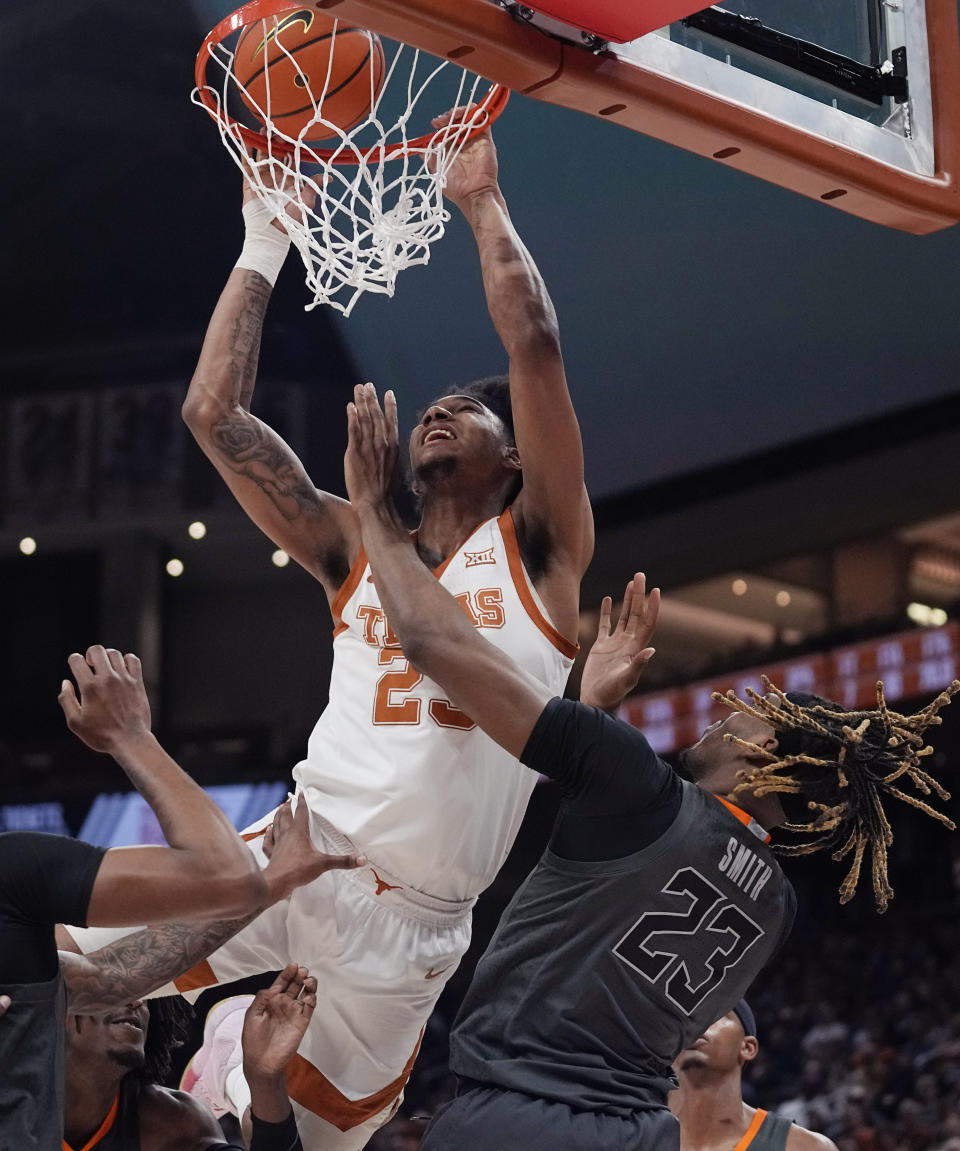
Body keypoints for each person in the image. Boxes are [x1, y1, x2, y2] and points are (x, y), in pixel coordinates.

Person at [69, 112, 593, 1150]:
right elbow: (212, 414)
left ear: (518, 461)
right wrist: (266, 239)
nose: (439, 413)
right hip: (303, 843)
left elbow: (532, 337)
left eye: (467, 413)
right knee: (58, 968)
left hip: (413, 927)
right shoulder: (354, 541)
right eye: (432, 407)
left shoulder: (539, 556)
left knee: (302, 1141)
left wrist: (480, 199)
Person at [337, 381, 957, 1151]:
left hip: (515, 1117)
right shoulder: (775, 908)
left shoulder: (636, 782)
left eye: (745, 715)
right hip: (631, 1128)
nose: (724, 712)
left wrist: (370, 504)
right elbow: (597, 881)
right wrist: (590, 709)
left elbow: (434, 648)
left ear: (763, 757)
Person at [0, 645, 273, 1151]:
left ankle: (236, 1077)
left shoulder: (169, 1126)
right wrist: (130, 737)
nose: (135, 1008)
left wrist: (272, 884)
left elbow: (117, 981)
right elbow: (227, 875)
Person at [63, 964, 318, 1151]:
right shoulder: (23, 1104)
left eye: (143, 990)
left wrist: (264, 1078)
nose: (137, 1001)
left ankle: (232, 1067)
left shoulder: (176, 1126)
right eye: (111, 985)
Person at [669, 1000, 838, 1151]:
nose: (696, 1025)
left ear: (747, 1047)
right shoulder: (646, 1135)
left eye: (715, 1014)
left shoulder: (805, 1147)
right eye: (687, 1019)